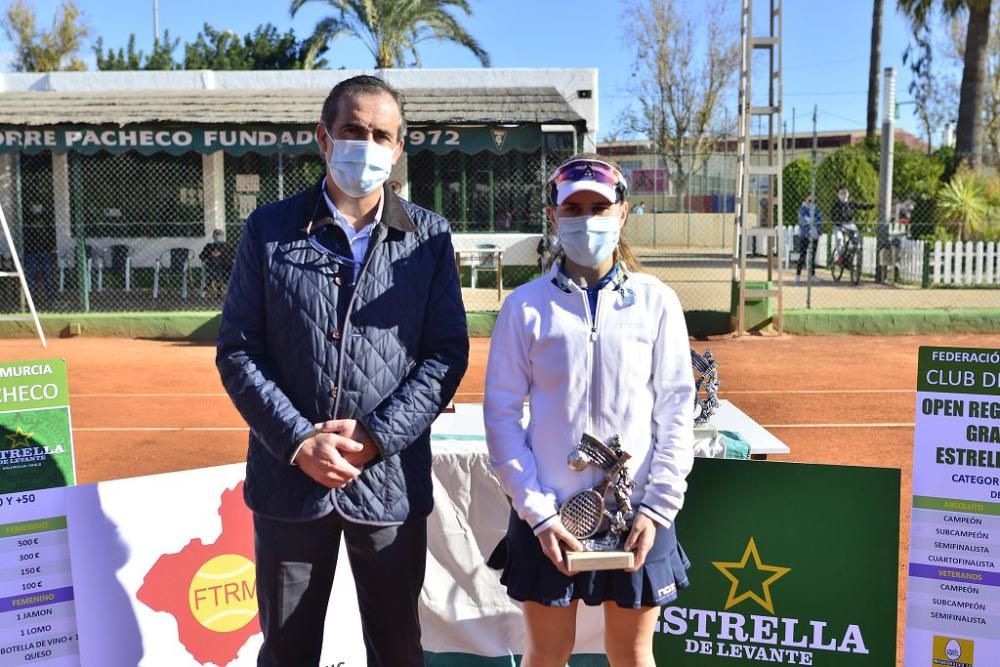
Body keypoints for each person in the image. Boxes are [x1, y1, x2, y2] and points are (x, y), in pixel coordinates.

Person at [216, 75, 469, 667]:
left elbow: (444, 355)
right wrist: (298, 440)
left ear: (399, 148)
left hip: (388, 484)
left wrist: (378, 438)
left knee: (398, 651)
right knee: (286, 652)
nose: (367, 144)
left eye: (382, 134)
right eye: (353, 130)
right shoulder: (269, 230)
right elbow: (238, 349)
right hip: (289, 486)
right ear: (324, 139)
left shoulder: (428, 237)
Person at [483, 154, 695, 667]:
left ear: (622, 212)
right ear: (553, 217)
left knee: (632, 653)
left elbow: (676, 410)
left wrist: (658, 506)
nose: (586, 218)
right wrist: (537, 514)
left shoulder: (657, 301)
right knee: (547, 652)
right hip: (551, 517)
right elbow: (502, 416)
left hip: (638, 513)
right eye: (572, 207)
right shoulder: (525, 306)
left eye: (599, 206)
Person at [795, 195, 821, 284]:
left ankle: (812, 275)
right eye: (809, 200)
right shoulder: (802, 209)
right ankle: (798, 275)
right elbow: (802, 220)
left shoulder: (817, 209)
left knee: (813, 256)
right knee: (802, 255)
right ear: (805, 199)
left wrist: (814, 225)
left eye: (813, 200)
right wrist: (811, 221)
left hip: (814, 234)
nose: (811, 202)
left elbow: (819, 220)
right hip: (804, 235)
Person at [199, 228, 232, 295]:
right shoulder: (209, 246)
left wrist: (221, 253)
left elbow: (232, 255)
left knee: (225, 268)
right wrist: (211, 254)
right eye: (217, 235)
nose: (218, 237)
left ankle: (214, 286)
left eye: (220, 235)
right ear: (214, 236)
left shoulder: (227, 245)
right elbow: (201, 256)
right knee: (215, 264)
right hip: (212, 266)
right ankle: (218, 288)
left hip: (225, 266)